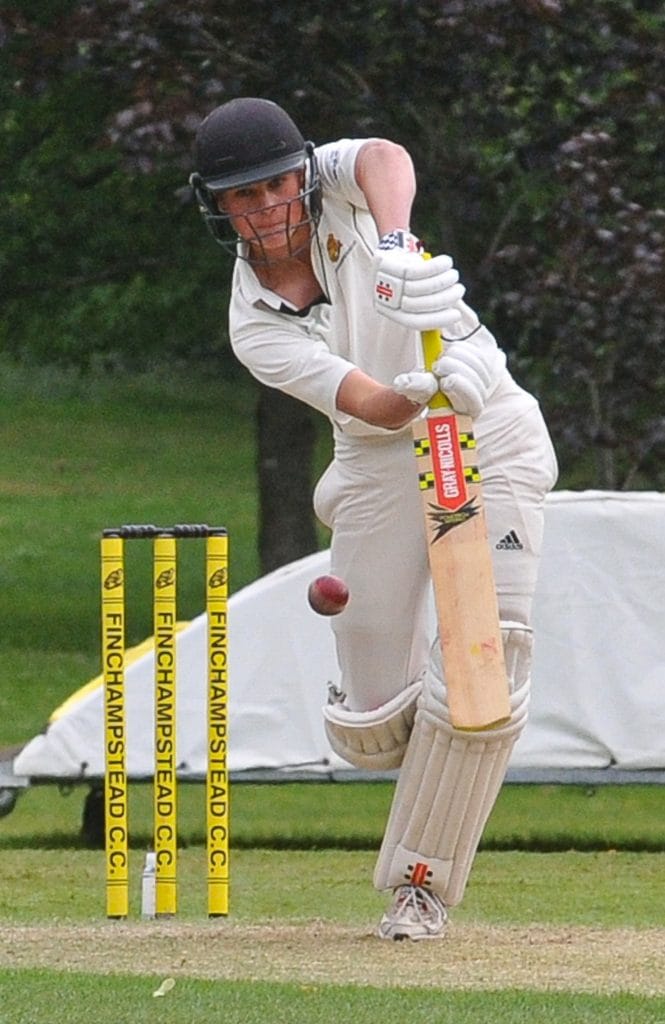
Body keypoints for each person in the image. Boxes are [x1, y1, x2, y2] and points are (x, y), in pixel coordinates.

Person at [190, 97, 558, 940]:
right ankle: (366, 685)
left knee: (484, 660)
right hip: (383, 447)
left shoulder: (337, 188)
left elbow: (384, 154)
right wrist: (419, 395)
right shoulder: (254, 324)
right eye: (240, 198)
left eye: (275, 186)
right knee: (373, 726)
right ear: (217, 205)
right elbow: (375, 406)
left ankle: (418, 888)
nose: (264, 210)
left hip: (486, 426)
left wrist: (395, 244)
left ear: (300, 175)